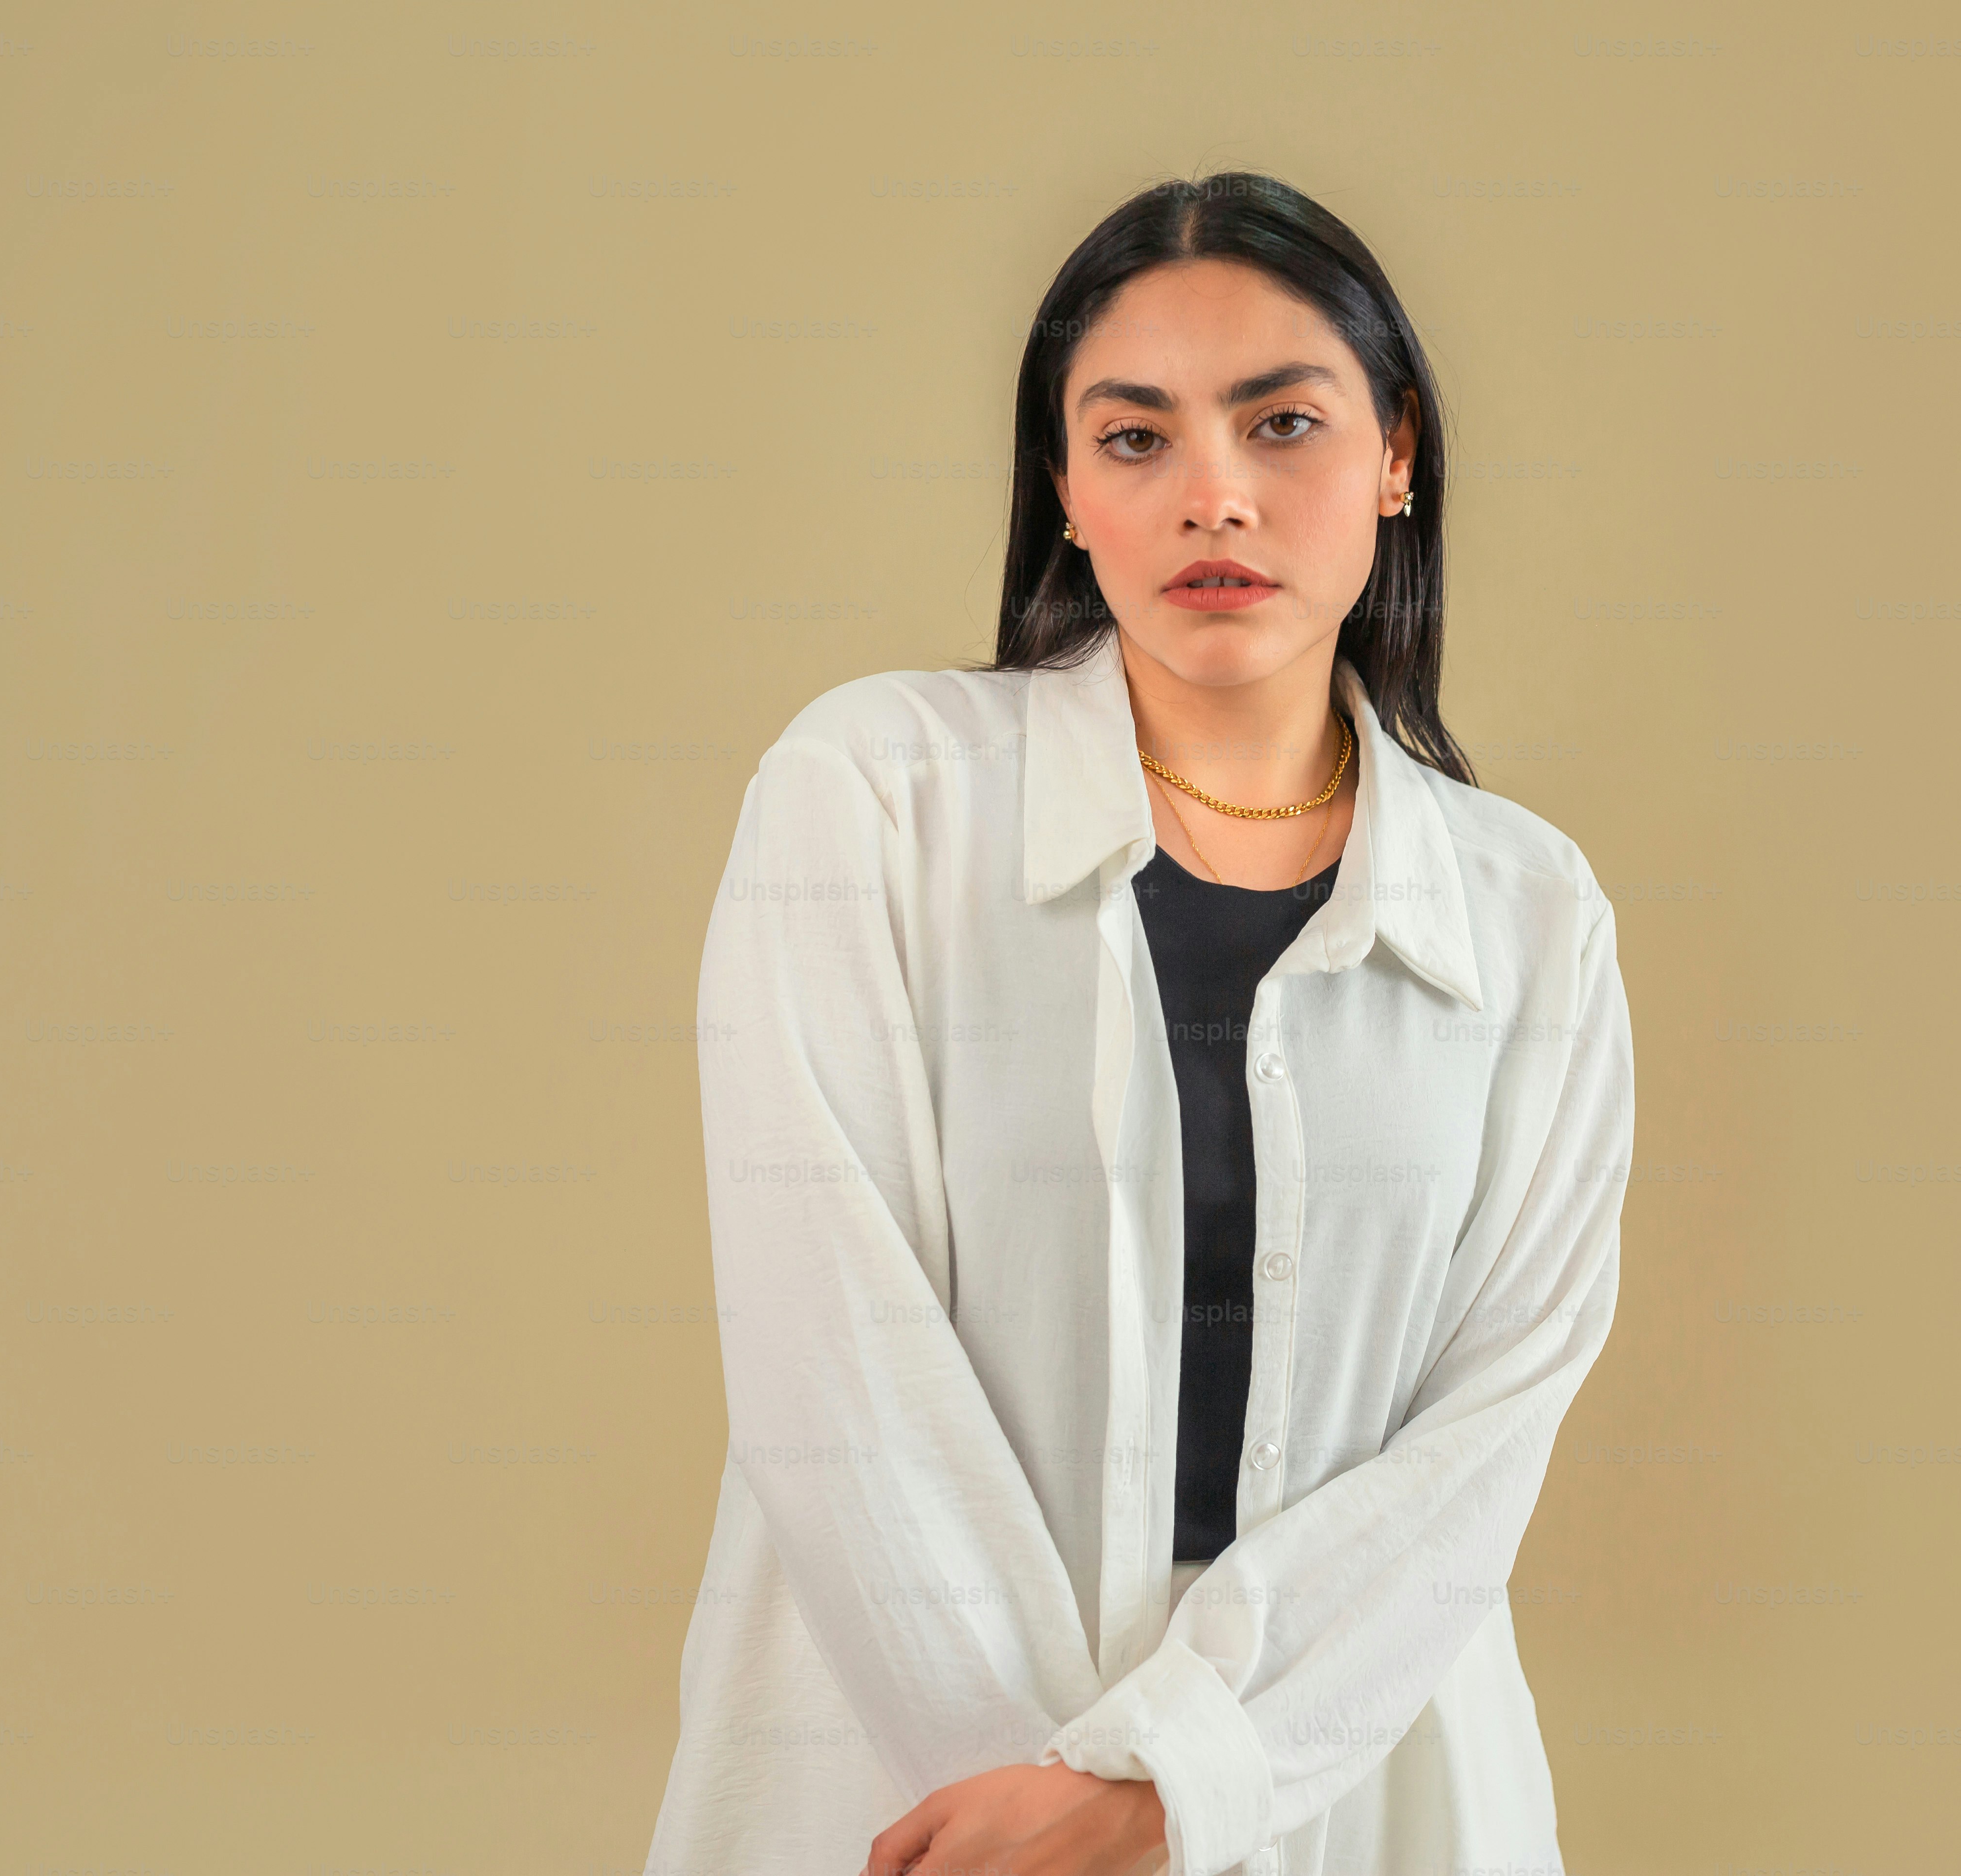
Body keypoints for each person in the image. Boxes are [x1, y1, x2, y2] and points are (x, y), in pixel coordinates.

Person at [642, 171, 1635, 1876]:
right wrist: (1063, 1811)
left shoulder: (1534, 914)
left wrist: (1175, 1786)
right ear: (1064, 488)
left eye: (1285, 423)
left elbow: (1487, 1438)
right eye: (1136, 439)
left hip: (1375, 1781)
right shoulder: (872, 801)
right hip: (924, 1783)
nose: (1215, 498)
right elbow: (837, 1367)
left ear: (1397, 457)